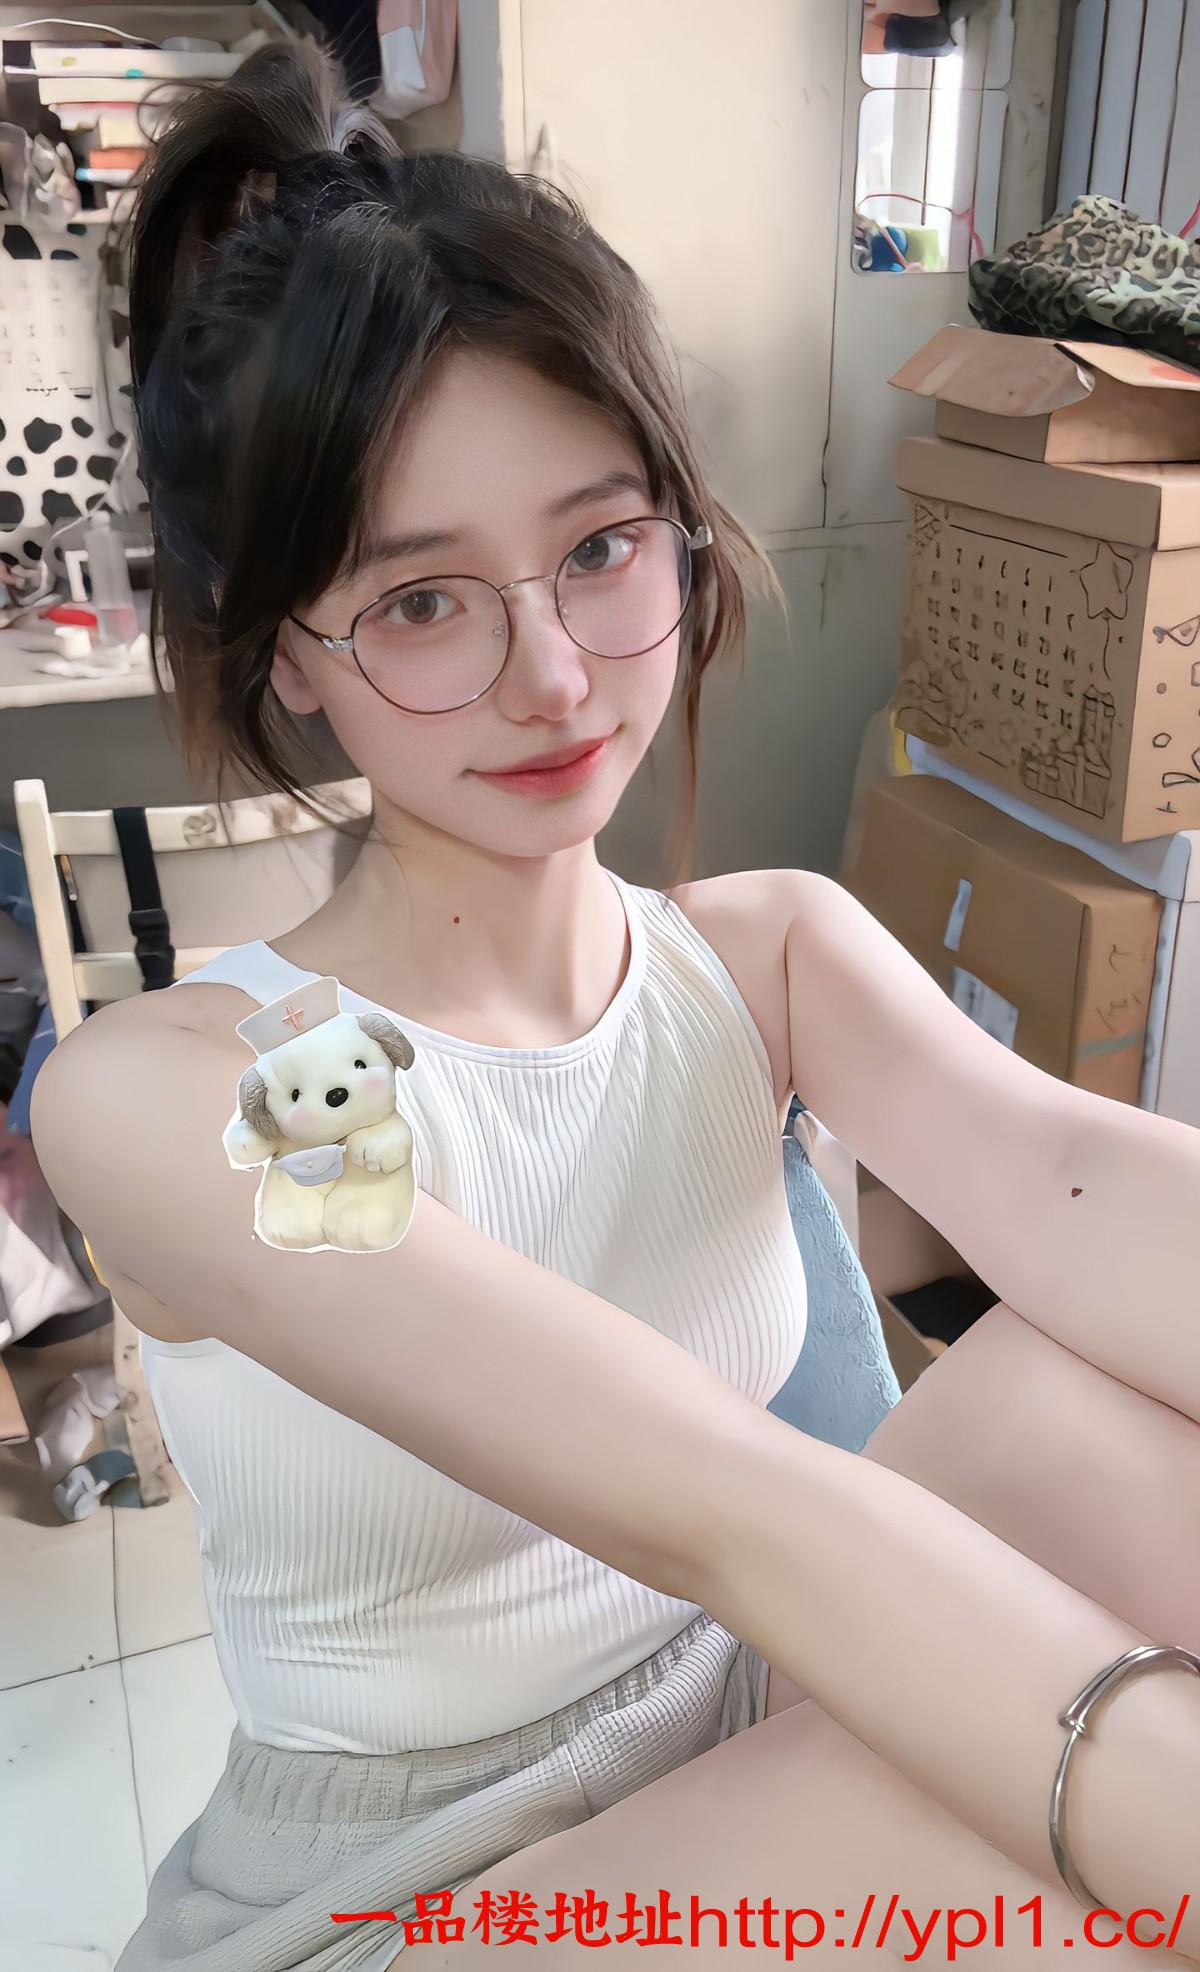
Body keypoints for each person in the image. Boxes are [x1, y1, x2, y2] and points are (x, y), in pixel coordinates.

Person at [30, 39, 1200, 1972]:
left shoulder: (768, 956)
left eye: (597, 549)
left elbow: (1081, 1179)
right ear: (288, 655)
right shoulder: (203, 1092)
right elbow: (731, 1506)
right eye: (421, 601)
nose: (557, 677)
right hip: (414, 1874)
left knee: (1088, 1418)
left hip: (735, 1702)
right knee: (1022, 1839)